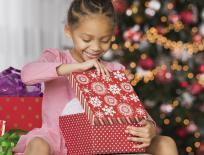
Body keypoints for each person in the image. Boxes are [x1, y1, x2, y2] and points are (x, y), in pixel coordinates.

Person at [14, 0, 179, 155]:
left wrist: (149, 126)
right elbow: (27, 74)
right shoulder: (56, 58)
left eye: (105, 40)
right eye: (86, 39)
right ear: (68, 30)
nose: (96, 47)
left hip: (103, 141)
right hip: (56, 140)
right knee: (38, 144)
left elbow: (135, 110)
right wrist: (76, 67)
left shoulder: (114, 69)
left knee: (166, 142)